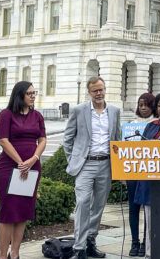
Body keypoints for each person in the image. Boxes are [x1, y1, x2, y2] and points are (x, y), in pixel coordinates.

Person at [64, 76, 122, 259]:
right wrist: (74, 161)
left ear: (105, 89)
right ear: (89, 92)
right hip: (85, 164)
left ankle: (90, 241)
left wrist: (118, 166)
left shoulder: (114, 111)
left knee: (98, 206)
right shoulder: (79, 110)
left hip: (106, 164)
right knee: (82, 203)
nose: (99, 93)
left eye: (101, 89)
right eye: (95, 90)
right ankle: (79, 248)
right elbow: (68, 139)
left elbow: (117, 139)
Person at [0, 81, 48, 259]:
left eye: (35, 93)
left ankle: (15, 253)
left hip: (32, 167)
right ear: (20, 95)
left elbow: (42, 140)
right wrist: (21, 162)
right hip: (10, 167)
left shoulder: (38, 116)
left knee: (23, 211)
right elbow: (3, 140)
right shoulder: (6, 114)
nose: (33, 96)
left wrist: (33, 159)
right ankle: (3, 255)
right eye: (30, 93)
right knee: (8, 211)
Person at [126, 92, 157, 257]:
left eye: (146, 104)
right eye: (140, 104)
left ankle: (146, 241)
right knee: (133, 207)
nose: (143, 108)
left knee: (147, 208)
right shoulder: (131, 123)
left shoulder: (156, 125)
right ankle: (134, 241)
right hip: (133, 170)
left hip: (147, 171)